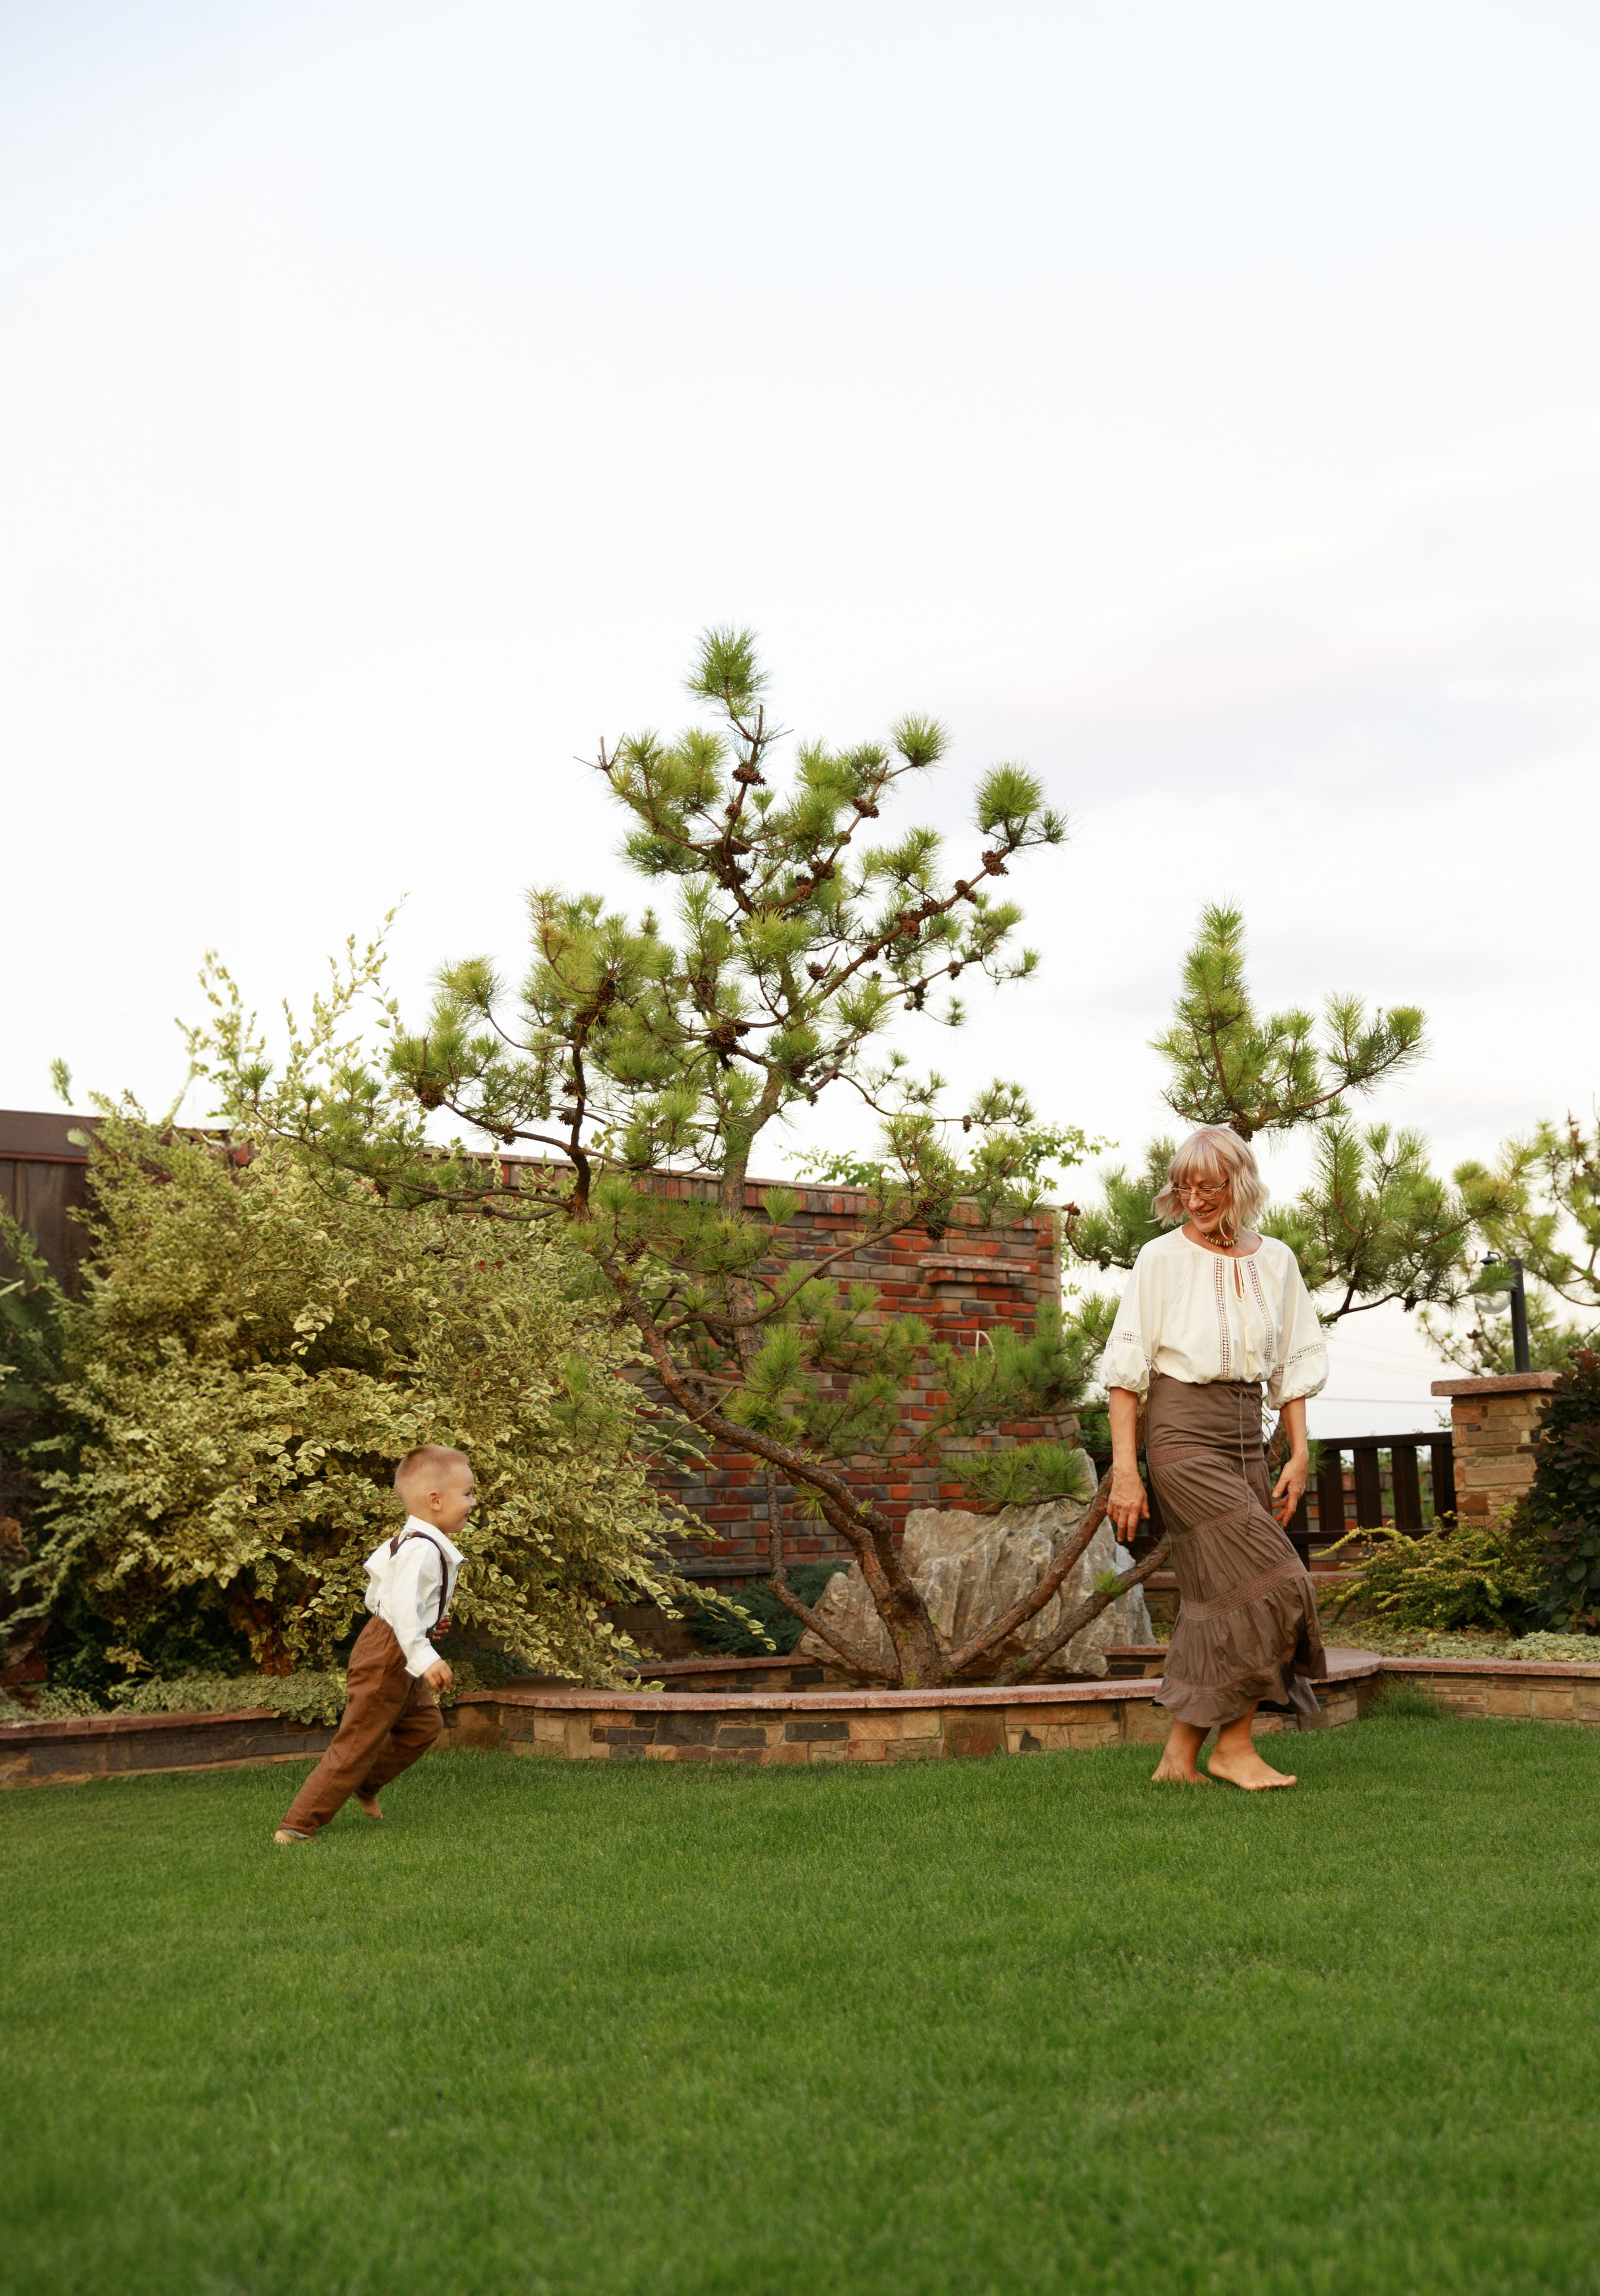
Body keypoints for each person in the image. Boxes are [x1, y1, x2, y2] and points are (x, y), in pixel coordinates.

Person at [1099, 1126, 1328, 1790]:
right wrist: (1124, 1469)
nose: (1195, 1198)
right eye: (1185, 1186)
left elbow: (1291, 1360)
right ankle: (1233, 1747)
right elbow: (1125, 1373)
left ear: (1240, 1184)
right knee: (1278, 1580)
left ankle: (1177, 1761)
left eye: (1210, 1185)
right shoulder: (1160, 1259)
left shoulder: (1277, 1260)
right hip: (1180, 1434)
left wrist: (1298, 1452)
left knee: (1218, 1597)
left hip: (1245, 1433)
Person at [274, 1445, 474, 1845]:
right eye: (467, 1494)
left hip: (393, 1644)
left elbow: (378, 1589)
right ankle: (297, 1825)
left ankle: (367, 1785)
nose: (473, 1503)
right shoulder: (421, 1547)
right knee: (358, 1741)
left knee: (423, 1726)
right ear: (435, 1501)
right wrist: (422, 1652)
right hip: (388, 1655)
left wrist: (425, 1622)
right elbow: (398, 1603)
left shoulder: (411, 1538)